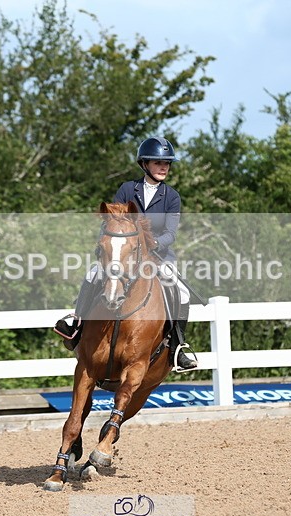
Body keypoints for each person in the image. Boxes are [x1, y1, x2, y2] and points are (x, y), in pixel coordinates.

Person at [54, 136, 198, 371]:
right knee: (93, 274)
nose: (164, 167)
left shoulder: (172, 197)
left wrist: (152, 244)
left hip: (157, 255)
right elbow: (112, 220)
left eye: (167, 164)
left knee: (180, 290)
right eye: (157, 162)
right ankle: (77, 323)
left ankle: (177, 346)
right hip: (123, 254)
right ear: (144, 164)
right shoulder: (127, 189)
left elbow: (171, 234)